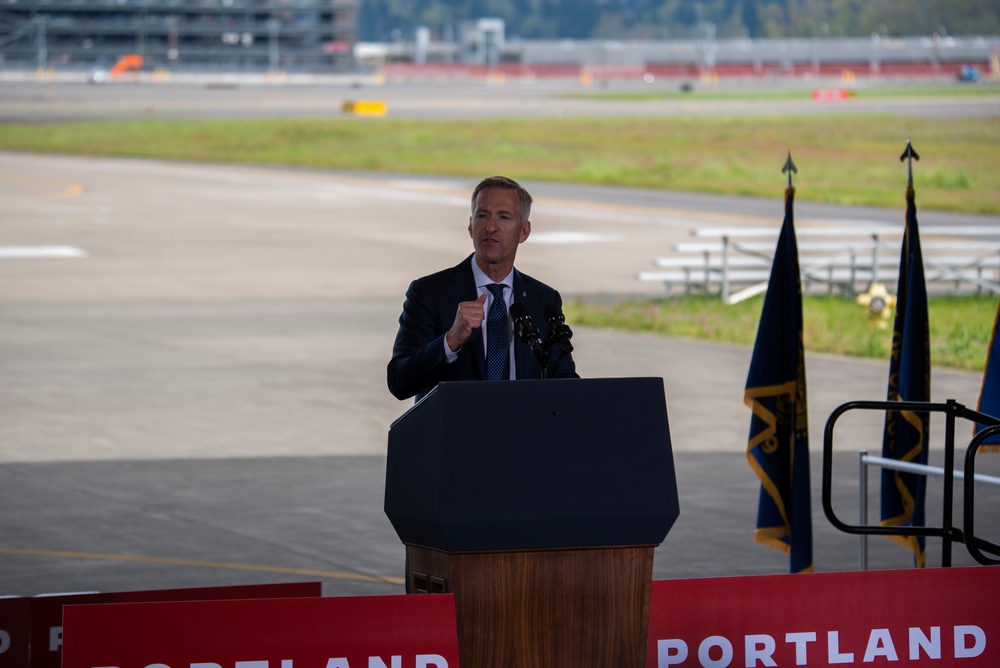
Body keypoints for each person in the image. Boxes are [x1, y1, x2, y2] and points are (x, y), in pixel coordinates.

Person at [387, 175, 578, 402]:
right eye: (482, 216)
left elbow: (564, 379)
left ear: (524, 231)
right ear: (470, 226)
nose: (491, 227)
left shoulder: (543, 299)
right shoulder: (430, 293)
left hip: (522, 431)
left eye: (504, 217)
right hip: (456, 433)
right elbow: (399, 381)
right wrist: (450, 341)